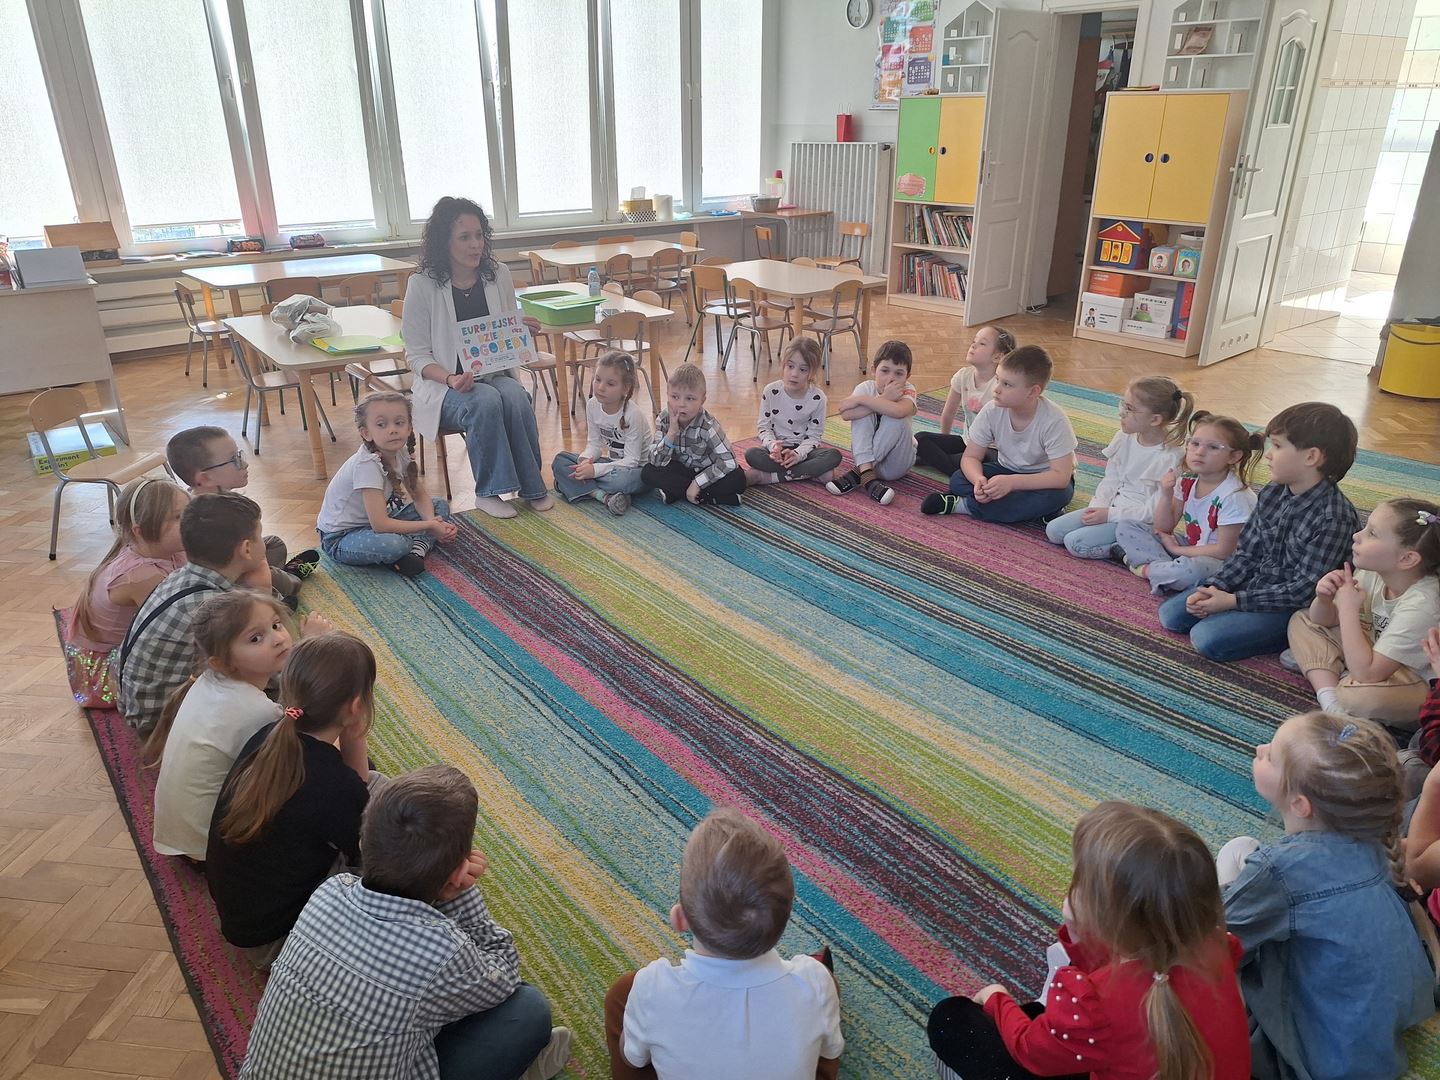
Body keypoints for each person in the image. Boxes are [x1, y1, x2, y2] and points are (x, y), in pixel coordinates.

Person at [238, 765, 571, 1080]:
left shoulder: (329, 891)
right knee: (528, 1010)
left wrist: (448, 879)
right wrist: (461, 892)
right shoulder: (444, 952)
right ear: (457, 873)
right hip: (433, 981)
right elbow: (504, 972)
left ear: (361, 843)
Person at [928, 801, 1249, 1080]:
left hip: (1080, 1038)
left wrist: (997, 998)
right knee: (1042, 1016)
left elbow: (1029, 1050)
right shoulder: (1219, 947)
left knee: (952, 1017)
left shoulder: (1097, 1006)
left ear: (1105, 920)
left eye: (1080, 880)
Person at [1219, 712, 1433, 1080]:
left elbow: (1213, 938)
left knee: (1233, 853)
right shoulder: (1373, 839)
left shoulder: (1279, 870)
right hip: (1373, 1035)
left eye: (1271, 755)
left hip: (1317, 1058)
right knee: (1245, 856)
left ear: (1301, 805)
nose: (1259, 748)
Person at [604, 807, 843, 1080]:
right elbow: (830, 1051)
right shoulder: (815, 983)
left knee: (620, 995)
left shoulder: (652, 990)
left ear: (680, 919)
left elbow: (632, 1058)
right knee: (827, 987)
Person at [206, 632, 384, 968]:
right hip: (278, 941)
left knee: (378, 786)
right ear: (356, 707)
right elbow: (372, 859)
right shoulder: (333, 785)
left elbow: (357, 791)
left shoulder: (269, 736)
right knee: (395, 865)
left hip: (245, 917)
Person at [1158, 402, 1359, 662]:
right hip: (1256, 586)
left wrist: (1233, 601)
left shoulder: (1334, 517)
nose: (1268, 455)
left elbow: (1304, 590)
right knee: (1172, 615)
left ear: (1311, 457)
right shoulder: (1273, 492)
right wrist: (1215, 587)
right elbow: (1246, 553)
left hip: (1292, 607)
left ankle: (1292, 637)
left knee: (1206, 638)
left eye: (1278, 446)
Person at [403, 196, 551, 519]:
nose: (475, 245)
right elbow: (415, 355)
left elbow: (507, 337)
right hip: (445, 388)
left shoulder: (498, 275)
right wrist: (450, 378)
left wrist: (523, 332)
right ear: (444, 242)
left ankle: (532, 486)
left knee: (516, 396)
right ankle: (489, 492)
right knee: (483, 400)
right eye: (464, 237)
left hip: (495, 376)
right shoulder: (422, 285)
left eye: (479, 235)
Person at [149, 592, 323, 864]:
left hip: (185, 839)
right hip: (214, 850)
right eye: (256, 638)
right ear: (223, 662)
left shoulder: (206, 681)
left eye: (276, 625)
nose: (278, 638)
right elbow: (311, 751)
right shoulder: (259, 711)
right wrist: (314, 650)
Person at [115, 493, 274, 734]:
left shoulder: (181, 575)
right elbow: (273, 665)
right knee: (305, 692)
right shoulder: (221, 608)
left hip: (136, 704)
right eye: (259, 536)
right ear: (246, 549)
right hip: (162, 724)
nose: (264, 542)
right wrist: (264, 591)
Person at [1285, 499, 1440, 724]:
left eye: (1372, 534)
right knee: (1303, 620)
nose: (1357, 535)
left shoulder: (1424, 604)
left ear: (1407, 558)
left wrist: (1348, 609)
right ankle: (1332, 702)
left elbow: (1369, 673)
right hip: (1376, 655)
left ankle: (1329, 671)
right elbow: (1323, 621)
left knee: (1362, 698)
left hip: (1416, 679)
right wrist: (1325, 600)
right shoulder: (1375, 571)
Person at [63, 477, 188, 708]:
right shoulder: (142, 576)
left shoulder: (164, 548)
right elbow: (180, 627)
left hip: (122, 653)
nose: (190, 521)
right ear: (140, 531)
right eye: (178, 517)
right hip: (103, 677)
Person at [920, 346, 1077, 523]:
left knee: (1059, 495)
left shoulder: (1054, 420)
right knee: (959, 479)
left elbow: (1060, 477)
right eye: (997, 379)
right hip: (1005, 469)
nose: (996, 389)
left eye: (1007, 384)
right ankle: (1037, 511)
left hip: (1042, 478)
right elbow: (970, 457)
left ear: (1033, 392)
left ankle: (963, 506)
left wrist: (1012, 483)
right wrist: (979, 481)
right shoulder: (992, 410)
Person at [1045, 376, 1192, 558]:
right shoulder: (1123, 437)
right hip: (1111, 510)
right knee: (1054, 531)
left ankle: (1125, 550)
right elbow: (1111, 480)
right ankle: (1119, 541)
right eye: (1123, 405)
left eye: (1129, 409)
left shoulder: (1171, 457)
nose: (1121, 413)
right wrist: (1098, 508)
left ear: (1155, 420)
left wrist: (1109, 515)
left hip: (1137, 522)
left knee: (1075, 543)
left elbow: (1153, 512)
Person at [1115, 413, 1262, 594]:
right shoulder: (1188, 480)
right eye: (1195, 443)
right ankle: (1164, 571)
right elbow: (1163, 528)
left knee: (1190, 571)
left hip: (1224, 563)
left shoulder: (1234, 496)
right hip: (1191, 547)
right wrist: (1166, 494)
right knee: (1127, 526)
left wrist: (1175, 549)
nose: (1199, 452)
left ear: (1234, 456)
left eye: (1213, 447)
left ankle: (1148, 569)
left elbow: (1224, 551)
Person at [315, 391, 457, 578]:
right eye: (382, 425)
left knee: (439, 505)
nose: (393, 430)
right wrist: (430, 526)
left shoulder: (401, 452)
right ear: (366, 433)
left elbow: (419, 495)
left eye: (399, 423)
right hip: (340, 537)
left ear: (409, 427)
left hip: (376, 521)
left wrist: (431, 521)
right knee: (396, 545)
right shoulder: (367, 465)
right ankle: (414, 546)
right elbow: (380, 524)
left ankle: (416, 552)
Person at [165, 426, 315, 599]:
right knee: (287, 584)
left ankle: (278, 576)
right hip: (230, 579)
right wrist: (260, 570)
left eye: (239, 455)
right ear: (205, 478)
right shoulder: (207, 519)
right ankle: (289, 580)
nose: (245, 463)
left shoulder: (211, 501)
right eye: (234, 459)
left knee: (275, 544)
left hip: (238, 559)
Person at [551, 350, 652, 516]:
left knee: (621, 481)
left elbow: (632, 461)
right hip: (611, 465)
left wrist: (594, 471)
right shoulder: (592, 405)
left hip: (635, 471)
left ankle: (570, 485)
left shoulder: (633, 415)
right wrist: (585, 461)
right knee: (561, 460)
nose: (600, 387)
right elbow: (594, 445)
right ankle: (603, 497)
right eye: (597, 379)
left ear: (625, 388)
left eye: (610, 384)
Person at [825, 340, 919, 506]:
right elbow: (846, 414)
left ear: (907, 377)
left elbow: (900, 411)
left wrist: (863, 401)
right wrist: (882, 398)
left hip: (895, 465)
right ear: (874, 370)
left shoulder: (908, 389)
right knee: (863, 414)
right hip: (865, 458)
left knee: (894, 415)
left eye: (899, 373)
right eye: (885, 371)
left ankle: (859, 474)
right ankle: (868, 477)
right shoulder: (865, 388)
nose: (890, 378)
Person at [914, 325, 1015, 476]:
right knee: (920, 439)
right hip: (967, 441)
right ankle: (951, 464)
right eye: (974, 341)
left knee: (980, 463)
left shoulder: (1001, 386)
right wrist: (944, 440)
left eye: (982, 343)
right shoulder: (963, 376)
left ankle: (948, 464)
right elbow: (948, 413)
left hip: (991, 450)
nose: (973, 345)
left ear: (998, 357)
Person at [641, 363, 746, 507]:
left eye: (690, 399)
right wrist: (672, 433)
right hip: (680, 470)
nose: (681, 404)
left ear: (702, 401)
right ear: (667, 395)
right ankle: (710, 498)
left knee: (738, 479)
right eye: (675, 397)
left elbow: (729, 462)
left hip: (706, 471)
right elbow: (656, 461)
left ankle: (677, 493)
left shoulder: (708, 425)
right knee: (648, 472)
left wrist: (697, 483)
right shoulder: (664, 419)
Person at [743, 338, 842, 487]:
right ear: (783, 365)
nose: (794, 374)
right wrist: (773, 447)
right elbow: (764, 427)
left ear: (812, 372)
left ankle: (768, 477)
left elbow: (814, 436)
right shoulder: (770, 391)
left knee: (833, 456)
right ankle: (807, 473)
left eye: (803, 370)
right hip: (776, 452)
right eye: (790, 366)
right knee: (752, 454)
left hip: (805, 452)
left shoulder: (818, 398)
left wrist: (798, 454)